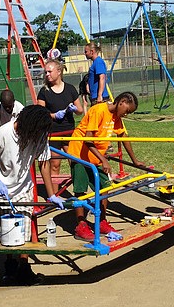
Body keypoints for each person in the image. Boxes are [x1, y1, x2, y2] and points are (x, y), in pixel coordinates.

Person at [0, 105, 64, 285]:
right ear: (29, 125)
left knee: (23, 232)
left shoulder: (39, 134)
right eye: (37, 131)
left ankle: (24, 268)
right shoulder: (4, 133)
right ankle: (10, 266)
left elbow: (43, 163)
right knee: (6, 232)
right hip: (0, 190)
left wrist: (51, 194)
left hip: (23, 189)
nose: (40, 136)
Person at [67, 91, 145, 241]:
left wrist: (135, 161)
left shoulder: (116, 117)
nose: (126, 114)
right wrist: (103, 159)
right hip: (80, 153)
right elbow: (88, 140)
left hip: (95, 156)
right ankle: (81, 225)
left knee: (106, 188)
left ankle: (101, 221)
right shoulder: (98, 110)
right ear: (122, 102)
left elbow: (123, 136)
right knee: (81, 190)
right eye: (127, 111)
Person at [37, 57, 83, 190]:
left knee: (75, 162)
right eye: (46, 72)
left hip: (69, 132)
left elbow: (80, 110)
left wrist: (74, 109)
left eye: (49, 72)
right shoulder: (44, 91)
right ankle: (55, 195)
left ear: (58, 72)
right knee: (55, 164)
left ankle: (79, 191)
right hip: (53, 133)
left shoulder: (70, 89)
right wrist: (54, 115)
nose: (47, 74)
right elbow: (40, 113)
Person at [85, 41, 109, 106]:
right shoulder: (95, 63)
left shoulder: (98, 62)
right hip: (95, 96)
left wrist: (99, 95)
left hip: (99, 98)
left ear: (92, 51)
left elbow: (102, 78)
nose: (85, 54)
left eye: (86, 52)